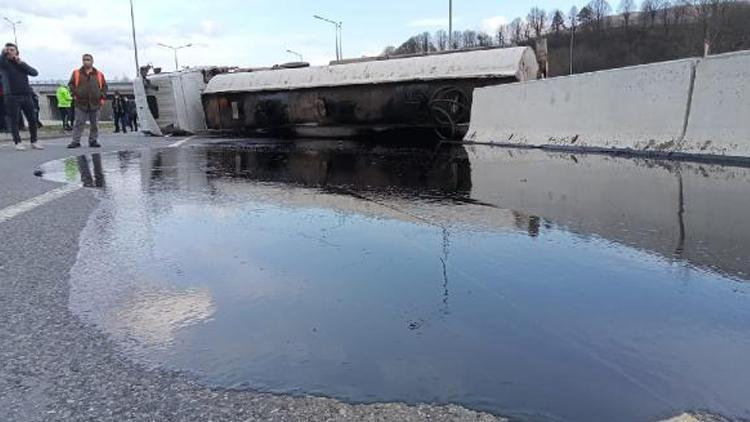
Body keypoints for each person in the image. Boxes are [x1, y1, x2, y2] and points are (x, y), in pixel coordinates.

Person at [0, 43, 42, 151]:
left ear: (17, 52)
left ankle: (34, 141)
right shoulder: (4, 64)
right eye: (8, 50)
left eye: (12, 50)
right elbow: (1, 60)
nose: (10, 51)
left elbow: (34, 73)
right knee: (15, 120)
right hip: (11, 96)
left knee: (32, 119)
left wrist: (20, 62)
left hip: (26, 94)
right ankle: (17, 142)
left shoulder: (21, 64)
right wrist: (3, 53)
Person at [68, 53, 107, 148]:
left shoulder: (99, 74)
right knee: (79, 123)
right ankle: (75, 141)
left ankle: (93, 140)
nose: (86, 61)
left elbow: (104, 86)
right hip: (81, 103)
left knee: (94, 124)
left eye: (88, 59)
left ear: (92, 61)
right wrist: (74, 94)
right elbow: (71, 85)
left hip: (95, 103)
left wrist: (102, 95)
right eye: (84, 59)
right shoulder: (76, 73)